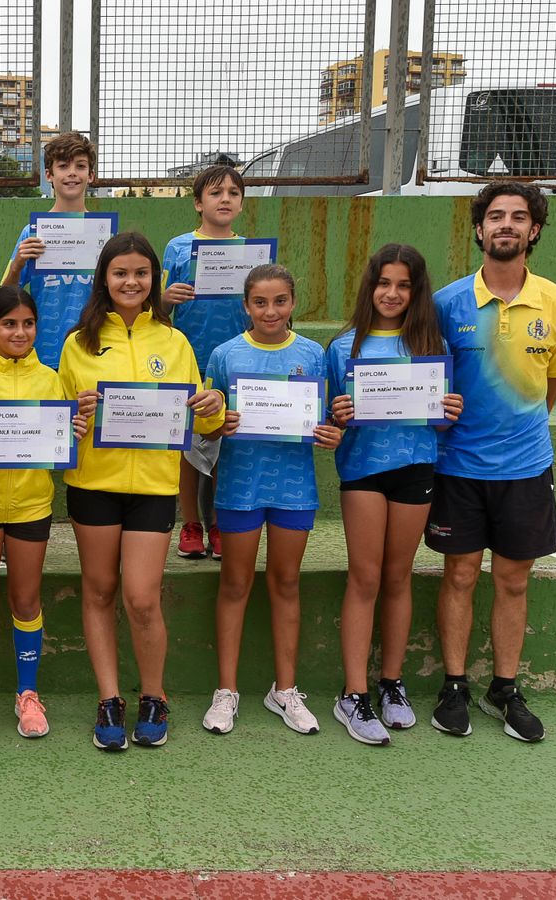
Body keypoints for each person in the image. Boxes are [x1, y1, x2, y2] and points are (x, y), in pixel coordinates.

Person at [426, 182, 556, 743]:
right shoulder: (446, 303)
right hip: (460, 467)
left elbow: (552, 386)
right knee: (461, 575)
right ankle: (453, 687)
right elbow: (430, 385)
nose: (506, 226)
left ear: (534, 230)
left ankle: (505, 687)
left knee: (513, 581)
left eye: (519, 217)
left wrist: (519, 432)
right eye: (496, 217)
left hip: (526, 469)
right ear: (479, 229)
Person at [57, 233, 225, 750]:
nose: (131, 282)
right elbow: (59, 427)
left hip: (154, 488)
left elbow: (206, 427)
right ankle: (109, 698)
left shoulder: (174, 343)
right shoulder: (77, 344)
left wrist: (212, 406)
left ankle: (155, 695)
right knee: (100, 591)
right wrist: (75, 422)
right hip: (93, 487)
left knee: (142, 599)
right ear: (103, 280)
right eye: (121, 273)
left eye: (141, 274)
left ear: (155, 280)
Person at [325, 244, 462, 745]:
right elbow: (327, 422)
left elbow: (446, 419)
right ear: (370, 286)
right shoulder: (344, 348)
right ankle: (354, 693)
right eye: (384, 283)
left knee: (397, 576)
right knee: (364, 577)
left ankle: (391, 683)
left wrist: (450, 410)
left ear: (416, 291)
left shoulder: (432, 343)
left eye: (403, 285)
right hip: (363, 472)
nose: (392, 293)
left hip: (416, 468)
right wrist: (337, 415)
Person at [203, 264, 341, 737]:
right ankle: (226, 690)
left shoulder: (312, 355)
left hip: (294, 488)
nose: (270, 311)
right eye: (260, 302)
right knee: (235, 585)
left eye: (279, 301)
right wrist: (219, 422)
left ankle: (285, 689)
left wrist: (329, 433)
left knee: (286, 583)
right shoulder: (224, 355)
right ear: (246, 305)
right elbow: (208, 422)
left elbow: (324, 419)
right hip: (240, 487)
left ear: (292, 303)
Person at [0, 286, 90, 743]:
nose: (19, 331)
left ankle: (27, 694)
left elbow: (65, 443)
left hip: (32, 506)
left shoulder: (53, 380)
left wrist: (72, 432)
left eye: (27, 323)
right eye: (9, 324)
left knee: (26, 600)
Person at [160, 165, 250, 561]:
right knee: (188, 448)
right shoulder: (178, 248)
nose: (225, 198)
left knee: (226, 441)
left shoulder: (252, 251)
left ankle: (219, 524)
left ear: (242, 203)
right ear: (199, 203)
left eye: (233, 192)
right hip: (189, 360)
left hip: (238, 363)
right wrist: (167, 298)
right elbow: (155, 307)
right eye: (215, 193)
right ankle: (191, 524)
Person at [0, 131, 99, 368]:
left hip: (92, 353)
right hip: (44, 355)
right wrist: (18, 264)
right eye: (63, 166)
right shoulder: (32, 233)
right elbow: (4, 294)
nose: (72, 172)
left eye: (80, 166)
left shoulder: (103, 233)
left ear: (91, 175)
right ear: (49, 175)